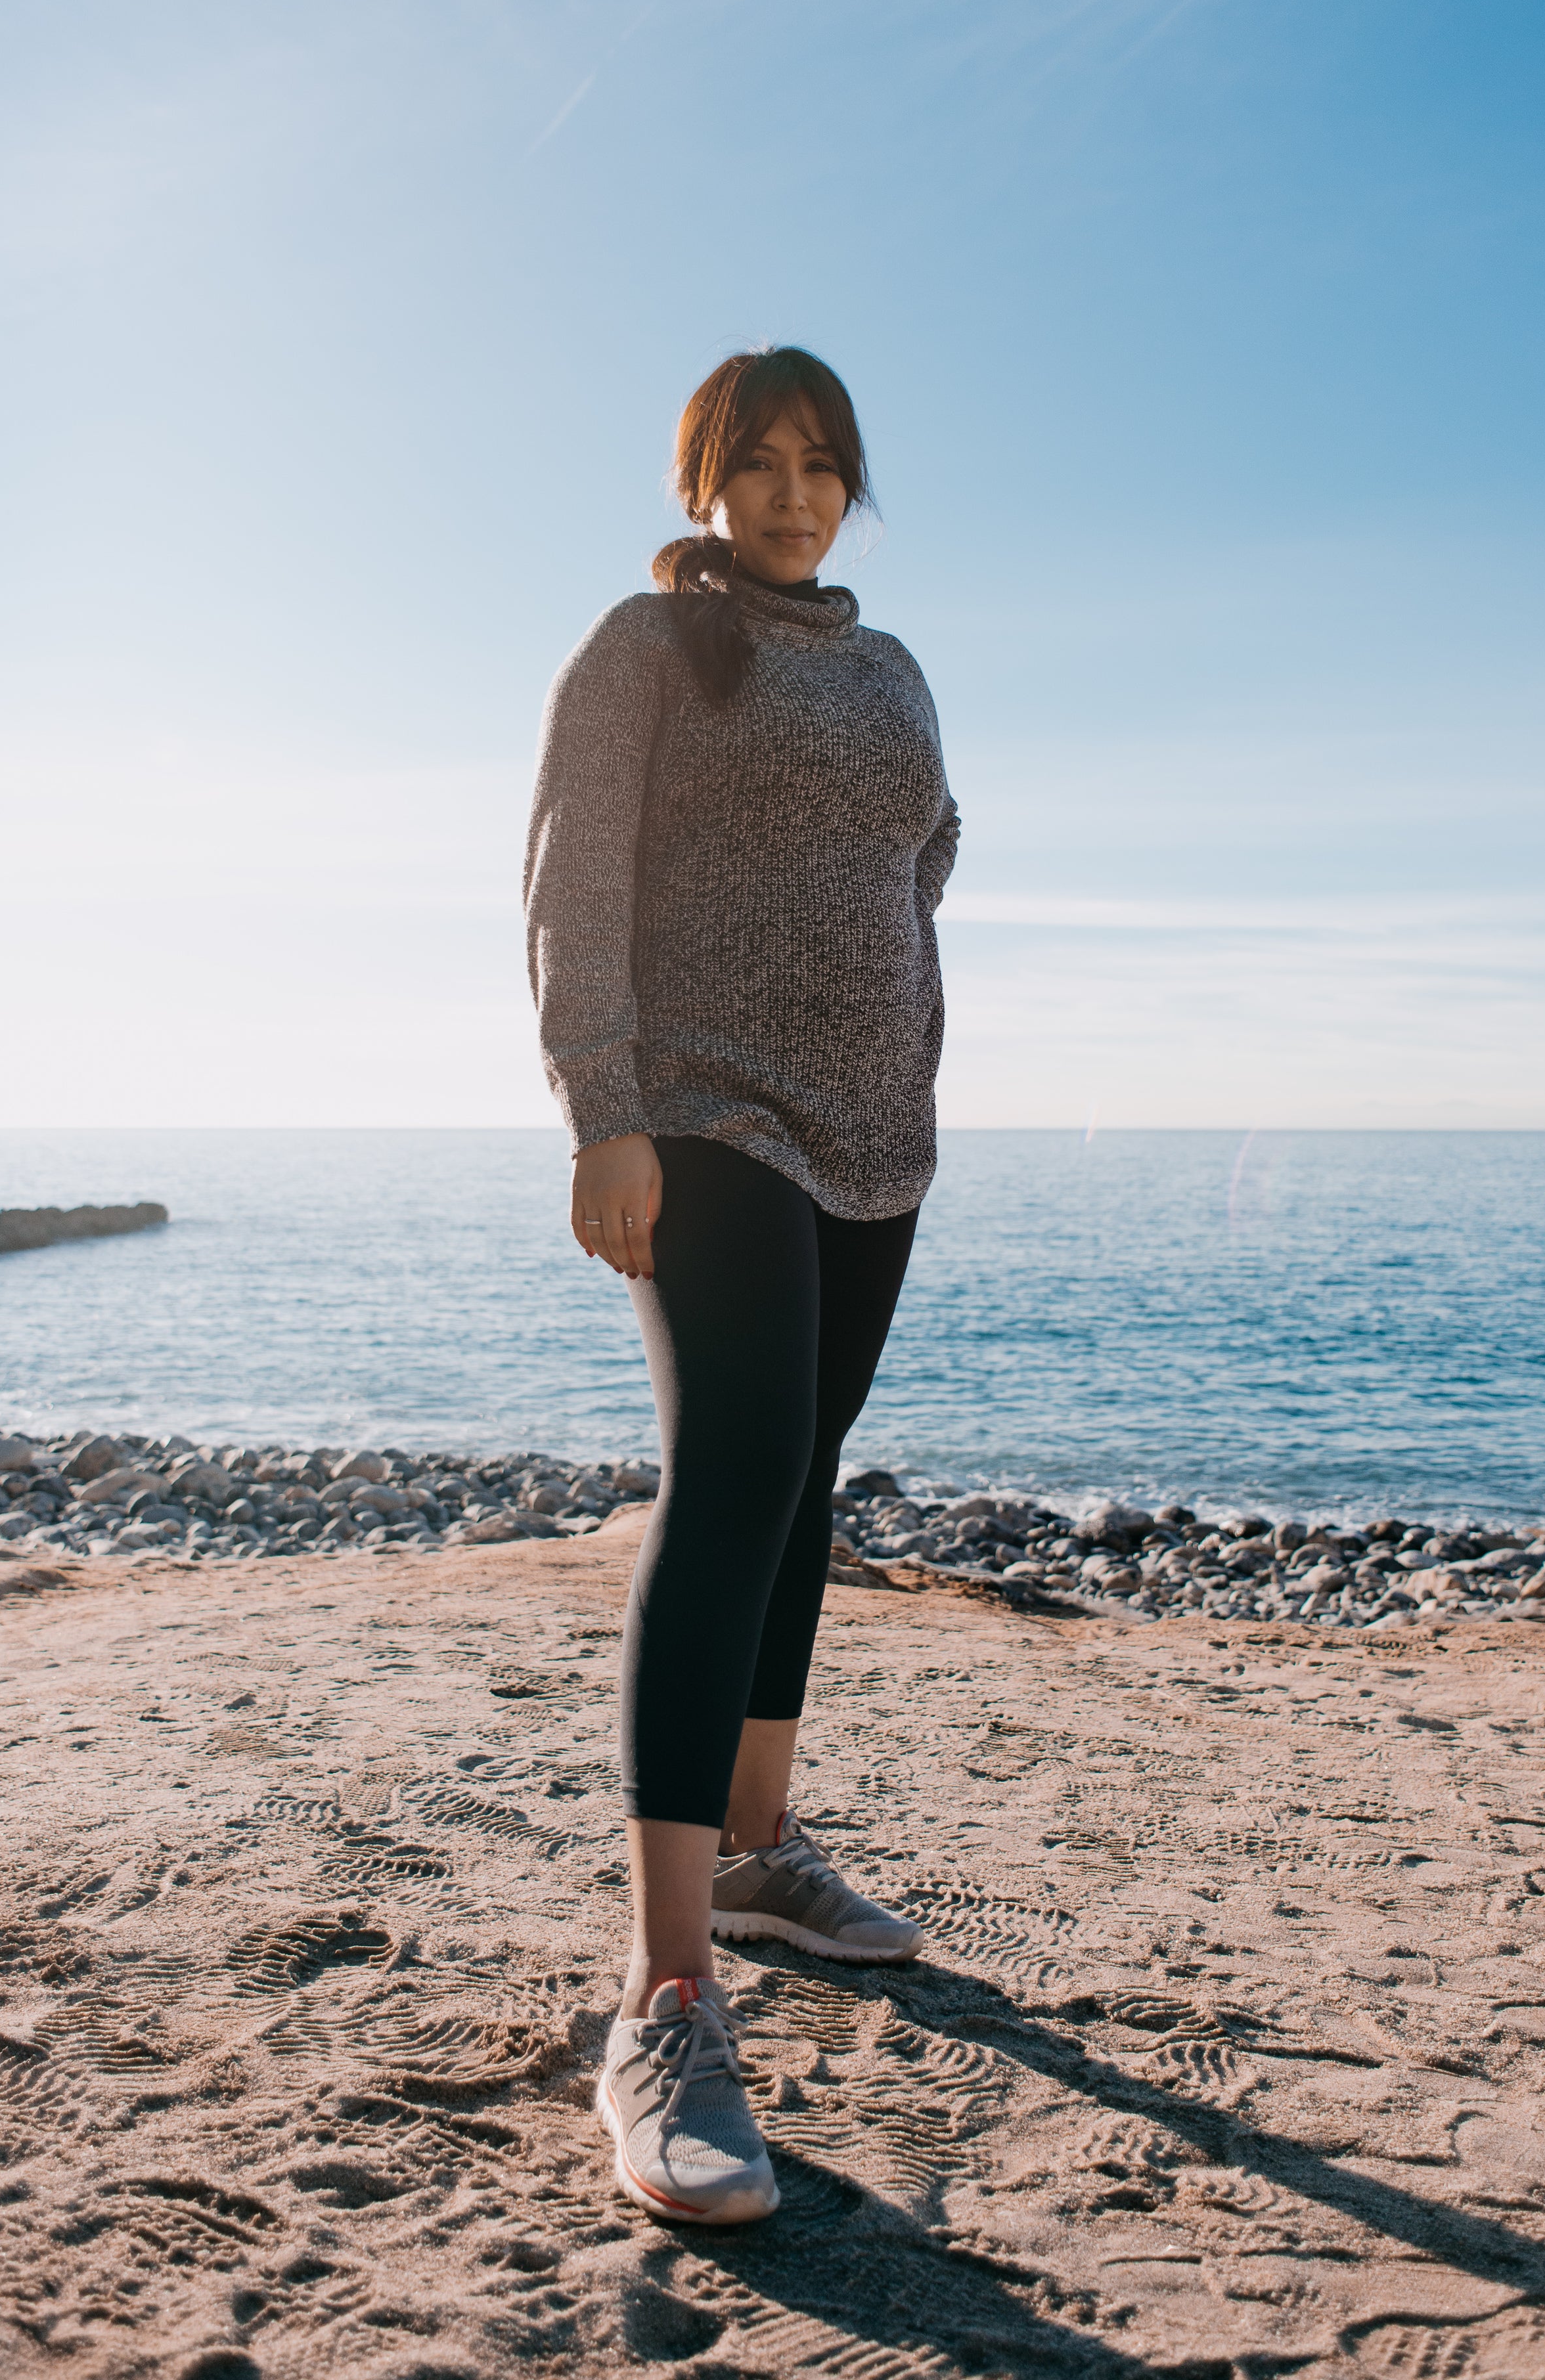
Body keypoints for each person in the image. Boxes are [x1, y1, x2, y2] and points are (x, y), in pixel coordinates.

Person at [524, 346, 959, 2227]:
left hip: (880, 1131)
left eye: (822, 465)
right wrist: (605, 1110)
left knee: (802, 1484)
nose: (793, 494)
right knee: (733, 1473)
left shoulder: (889, 667)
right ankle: (669, 1993)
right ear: (704, 477)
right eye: (759, 464)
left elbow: (923, 859)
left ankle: (767, 1852)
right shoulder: (645, 648)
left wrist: (898, 1027)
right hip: (701, 1115)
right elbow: (568, 885)